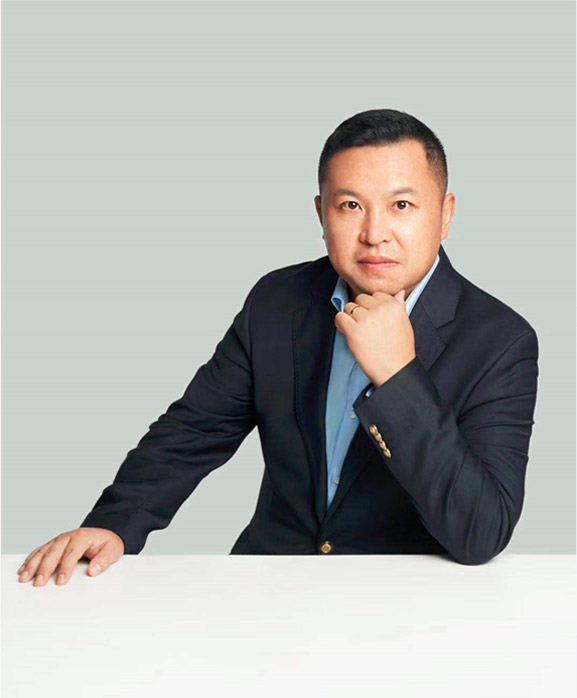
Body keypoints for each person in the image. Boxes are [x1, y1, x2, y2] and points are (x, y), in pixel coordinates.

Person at [17, 108, 539, 586]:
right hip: (268, 590)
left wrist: (399, 376)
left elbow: (481, 530)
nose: (374, 233)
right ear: (321, 213)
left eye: (401, 205)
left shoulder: (500, 340)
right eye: (350, 205)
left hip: (411, 604)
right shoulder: (278, 301)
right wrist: (113, 525)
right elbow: (194, 430)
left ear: (444, 214)